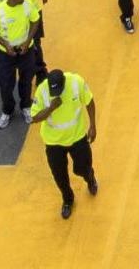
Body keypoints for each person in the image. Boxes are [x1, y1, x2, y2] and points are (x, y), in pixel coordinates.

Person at [28, 64, 97, 218]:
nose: (55, 94)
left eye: (58, 90)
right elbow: (34, 118)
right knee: (59, 175)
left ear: (64, 82)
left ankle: (90, 177)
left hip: (77, 137)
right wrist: (51, 108)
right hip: (54, 143)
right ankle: (67, 199)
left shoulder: (76, 82)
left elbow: (90, 101)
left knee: (82, 167)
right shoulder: (42, 91)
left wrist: (92, 125)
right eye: (54, 92)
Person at [0, 0, 44, 129]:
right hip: (6, 55)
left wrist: (28, 41)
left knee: (26, 81)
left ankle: (25, 106)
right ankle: (8, 110)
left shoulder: (28, 5)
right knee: (5, 84)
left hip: (27, 51)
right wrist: (6, 45)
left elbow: (35, 21)